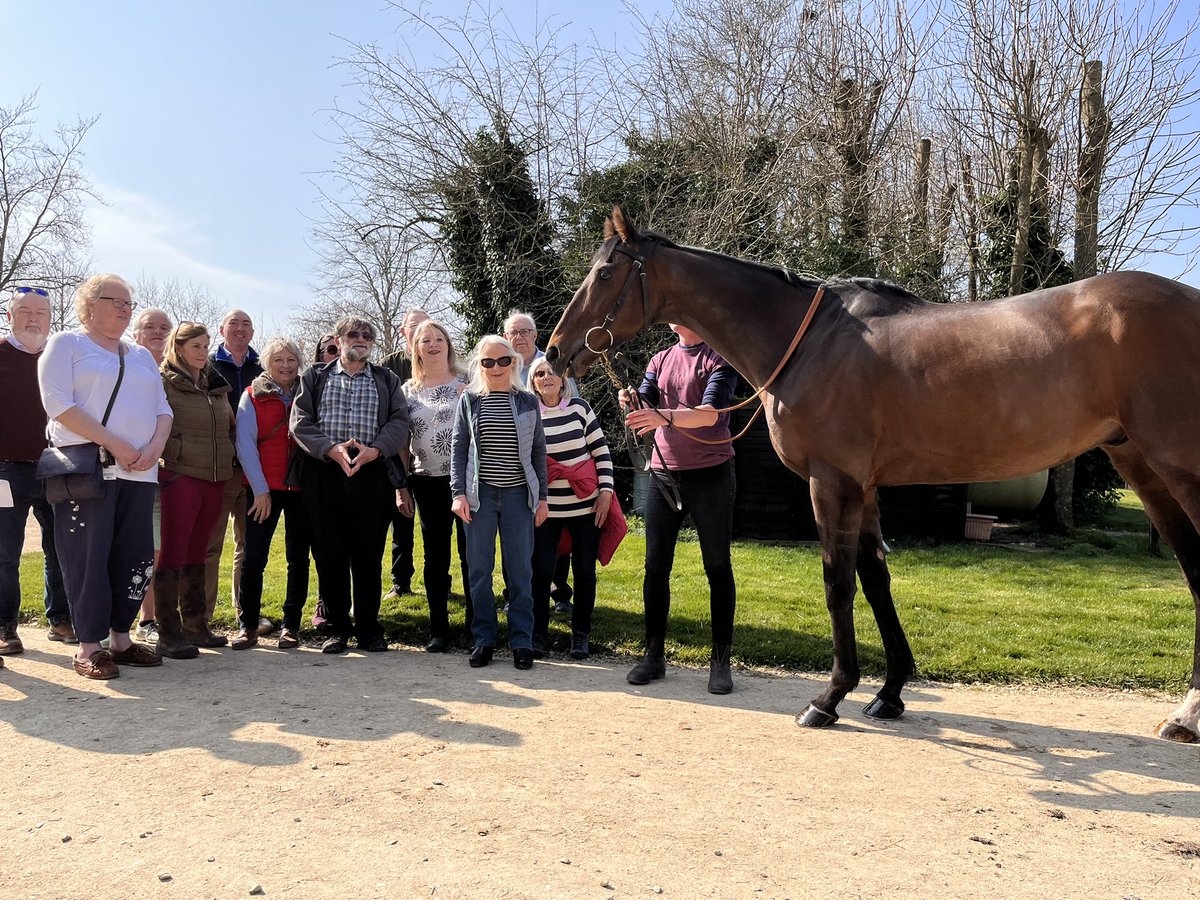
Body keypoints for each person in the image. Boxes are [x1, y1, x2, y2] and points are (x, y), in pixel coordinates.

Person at [37, 274, 172, 679]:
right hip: (89, 468)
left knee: (134, 555)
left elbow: (163, 409)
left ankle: (121, 639)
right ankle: (88, 647)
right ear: (90, 304)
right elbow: (57, 403)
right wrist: (115, 443)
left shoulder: (141, 355)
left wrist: (155, 447)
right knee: (87, 556)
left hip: (140, 471)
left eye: (129, 303)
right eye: (117, 301)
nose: (125, 309)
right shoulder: (67, 344)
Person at [622, 323, 739, 694]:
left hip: (712, 475)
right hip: (664, 474)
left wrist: (662, 416)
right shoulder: (660, 359)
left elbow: (710, 414)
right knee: (655, 567)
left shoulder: (719, 356)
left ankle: (720, 662)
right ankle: (653, 655)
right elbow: (646, 403)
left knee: (717, 566)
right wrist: (633, 402)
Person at [291, 315, 410, 654]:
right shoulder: (315, 376)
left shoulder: (386, 379)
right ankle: (336, 628)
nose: (361, 339)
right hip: (325, 472)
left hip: (372, 473)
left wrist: (377, 450)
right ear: (340, 339)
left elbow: (399, 421)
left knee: (369, 555)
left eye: (367, 335)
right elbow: (300, 421)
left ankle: (369, 629)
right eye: (354, 334)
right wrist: (330, 449)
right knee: (329, 554)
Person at [451, 335, 547, 670]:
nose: (496, 367)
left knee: (520, 571)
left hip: (519, 495)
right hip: (480, 496)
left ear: (514, 363)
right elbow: (459, 449)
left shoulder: (527, 401)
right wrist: (458, 493)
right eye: (488, 362)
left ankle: (522, 641)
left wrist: (542, 498)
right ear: (480, 366)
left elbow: (538, 451)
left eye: (503, 361)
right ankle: (484, 639)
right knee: (479, 571)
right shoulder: (470, 400)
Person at [156, 322, 237, 657]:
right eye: (195, 347)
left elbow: (229, 426)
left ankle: (195, 625)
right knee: (173, 550)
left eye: (205, 346)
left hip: (215, 477)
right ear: (178, 348)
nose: (203, 352)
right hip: (180, 475)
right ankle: (167, 632)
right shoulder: (163, 381)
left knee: (198, 550)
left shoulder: (215, 384)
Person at [0, 287, 72, 661]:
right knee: (4, 552)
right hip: (5, 471)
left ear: (49, 318)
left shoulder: (61, 359)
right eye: (25, 311)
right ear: (9, 316)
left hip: (55, 467)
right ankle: (5, 627)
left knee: (61, 548)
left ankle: (61, 620)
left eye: (41, 312)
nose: (33, 318)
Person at [527, 356, 614, 661]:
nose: (547, 377)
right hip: (545, 509)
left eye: (552, 372)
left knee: (585, 572)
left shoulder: (580, 408)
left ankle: (581, 636)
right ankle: (538, 635)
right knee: (540, 572)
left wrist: (606, 491)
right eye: (540, 373)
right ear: (533, 382)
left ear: (563, 378)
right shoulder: (529, 414)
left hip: (586, 507)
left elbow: (601, 452)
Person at [394, 320, 471, 653]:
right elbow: (401, 442)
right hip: (426, 482)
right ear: (416, 348)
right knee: (435, 557)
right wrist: (401, 487)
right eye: (426, 340)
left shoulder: (469, 382)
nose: (434, 344)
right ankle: (439, 629)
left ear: (448, 345)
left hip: (468, 482)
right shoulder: (407, 391)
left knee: (471, 556)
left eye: (440, 338)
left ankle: (476, 627)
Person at [232, 338, 310, 650]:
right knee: (253, 558)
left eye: (291, 359)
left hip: (302, 488)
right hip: (263, 489)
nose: (286, 366)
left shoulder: (309, 392)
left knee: (298, 559)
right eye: (278, 359)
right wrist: (260, 490)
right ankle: (248, 625)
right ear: (267, 363)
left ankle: (291, 625)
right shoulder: (252, 395)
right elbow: (245, 444)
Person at [504, 309, 575, 615]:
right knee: (516, 534)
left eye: (525, 331)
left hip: (555, 461)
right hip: (514, 464)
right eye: (514, 332)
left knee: (556, 532)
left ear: (535, 335)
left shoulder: (553, 363)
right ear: (506, 337)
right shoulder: (501, 365)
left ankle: (560, 592)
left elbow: (570, 402)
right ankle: (515, 593)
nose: (519, 337)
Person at [206, 308, 266, 634]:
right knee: (210, 545)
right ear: (222, 330)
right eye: (234, 323)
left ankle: (246, 615)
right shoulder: (207, 365)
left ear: (252, 333)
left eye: (246, 324)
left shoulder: (263, 369)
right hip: (219, 467)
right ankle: (201, 618)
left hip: (253, 469)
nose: (240, 329)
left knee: (248, 546)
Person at [128, 306, 174, 645]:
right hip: (131, 471)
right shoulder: (125, 366)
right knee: (135, 550)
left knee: (161, 552)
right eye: (150, 327)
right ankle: (130, 621)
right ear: (136, 334)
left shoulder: (181, 372)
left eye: (164, 327)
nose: (158, 332)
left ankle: (154, 618)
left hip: (175, 476)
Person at [381, 308, 430, 599]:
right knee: (401, 522)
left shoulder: (437, 360)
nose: (420, 330)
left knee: (434, 526)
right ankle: (401, 582)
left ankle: (439, 581)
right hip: (397, 456)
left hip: (430, 458)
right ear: (403, 331)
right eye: (414, 326)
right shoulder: (389, 365)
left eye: (425, 325)